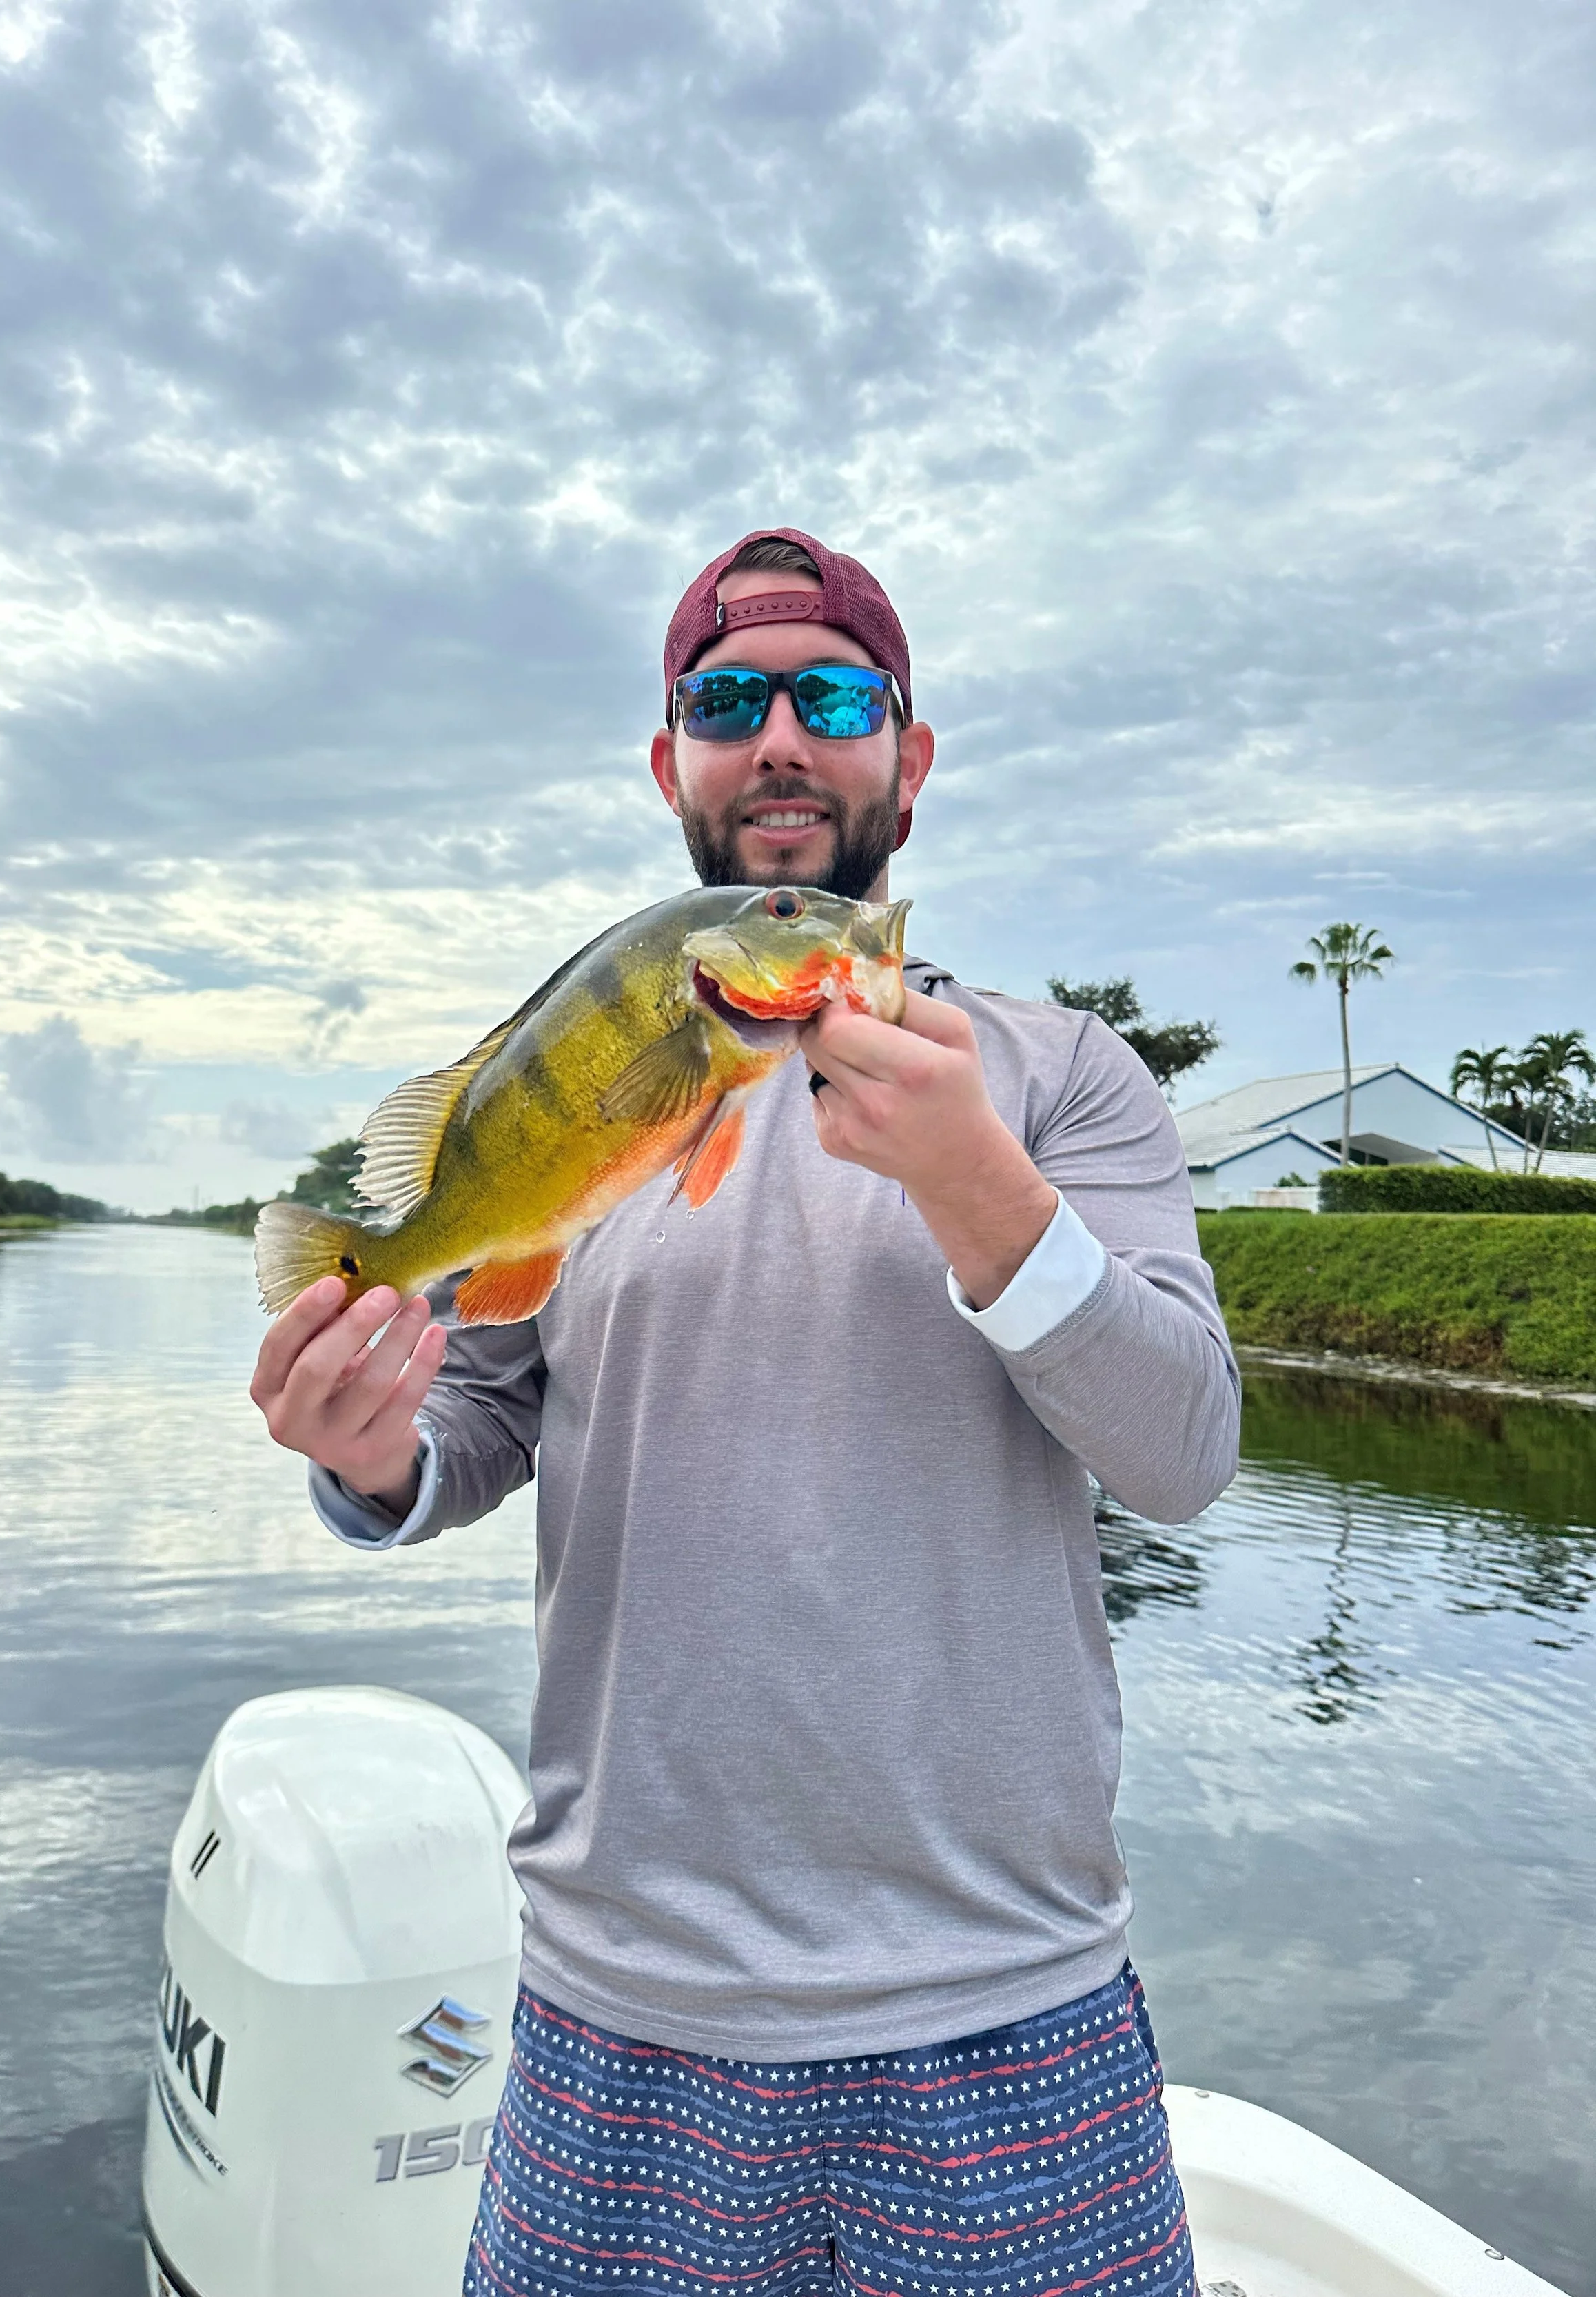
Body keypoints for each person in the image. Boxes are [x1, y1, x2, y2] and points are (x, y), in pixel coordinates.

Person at [251, 528, 1239, 2297]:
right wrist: (367, 1445)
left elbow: (1181, 1454)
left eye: (833, 695)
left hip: (1004, 1995)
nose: (779, 734)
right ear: (672, 766)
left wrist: (978, 1189)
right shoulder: (600, 1057)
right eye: (727, 701)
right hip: (615, 2004)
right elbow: (471, 1427)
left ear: (906, 763)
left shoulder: (1063, 1077)